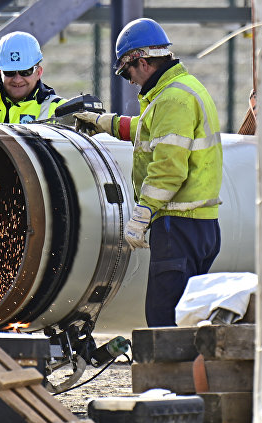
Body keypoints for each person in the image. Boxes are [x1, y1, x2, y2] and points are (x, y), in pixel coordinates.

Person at [74, 18, 223, 328]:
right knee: (187, 317)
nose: (129, 81)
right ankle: (185, 376)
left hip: (178, 226)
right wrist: (105, 123)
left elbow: (169, 169)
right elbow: (148, 131)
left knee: (165, 320)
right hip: (200, 227)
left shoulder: (172, 100)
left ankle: (167, 378)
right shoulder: (184, 89)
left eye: (127, 72)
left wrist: (142, 214)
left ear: (140, 61)